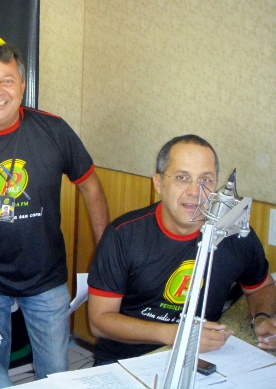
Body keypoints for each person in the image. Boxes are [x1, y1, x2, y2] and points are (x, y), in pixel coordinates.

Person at [0, 42, 109, 386]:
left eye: (7, 80)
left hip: (46, 278)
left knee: (57, 373)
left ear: (22, 86)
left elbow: (91, 187)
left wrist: (105, 255)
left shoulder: (54, 130)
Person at [87, 134, 276, 365]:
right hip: (126, 359)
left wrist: (262, 317)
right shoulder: (123, 235)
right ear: (159, 183)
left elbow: (261, 286)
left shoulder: (234, 233)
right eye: (182, 177)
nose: (195, 191)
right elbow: (99, 321)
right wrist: (178, 335)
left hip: (200, 357)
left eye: (206, 180)